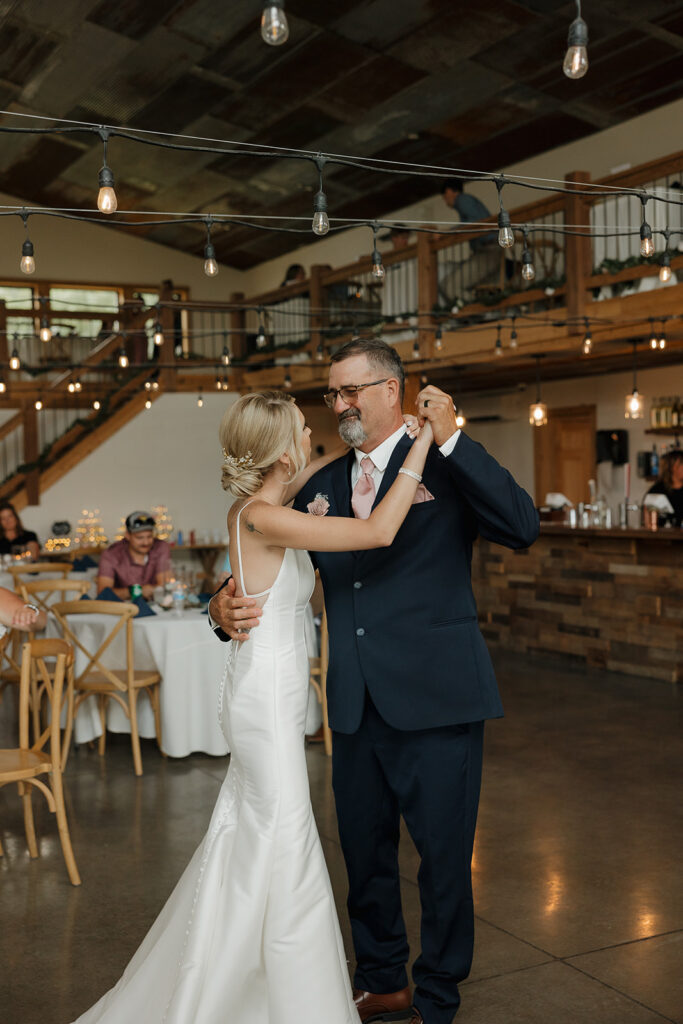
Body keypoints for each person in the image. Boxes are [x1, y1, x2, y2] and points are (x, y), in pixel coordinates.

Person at [69, 390, 434, 1023]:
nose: (311, 437)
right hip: (263, 700)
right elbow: (376, 532)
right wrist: (420, 444)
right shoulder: (261, 516)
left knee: (255, 838)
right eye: (301, 428)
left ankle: (243, 978)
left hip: (273, 694)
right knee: (286, 838)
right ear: (280, 447)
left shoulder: (270, 510)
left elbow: (309, 552)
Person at [212, 338, 539, 1024]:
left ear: (392, 390)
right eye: (331, 395)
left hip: (437, 695)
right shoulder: (322, 481)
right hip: (354, 699)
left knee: (443, 859)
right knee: (363, 853)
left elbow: (521, 525)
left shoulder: (446, 469)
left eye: (350, 391)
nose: (338, 405)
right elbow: (263, 555)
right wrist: (218, 606)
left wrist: (450, 442)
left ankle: (439, 994)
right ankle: (382, 975)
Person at [95, 512, 171, 599]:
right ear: (127, 535)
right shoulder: (111, 554)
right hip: (123, 608)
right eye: (139, 538)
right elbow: (103, 593)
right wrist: (137, 591)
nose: (146, 542)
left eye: (149, 537)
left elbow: (164, 586)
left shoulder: (161, 547)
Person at [441, 178, 497, 250]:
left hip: (488, 244)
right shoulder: (464, 200)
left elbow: (474, 221)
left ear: (450, 191)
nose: (446, 201)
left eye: (445, 196)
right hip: (487, 244)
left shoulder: (462, 199)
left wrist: (447, 232)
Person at [646, 448, 683, 526]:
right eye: (682, 464)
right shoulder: (657, 490)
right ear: (673, 467)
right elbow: (648, 521)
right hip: (662, 537)